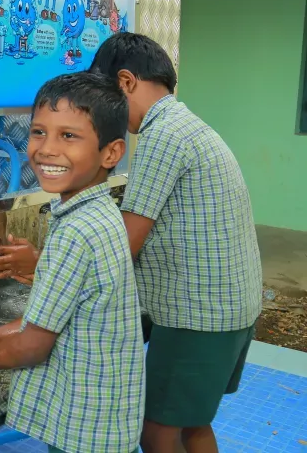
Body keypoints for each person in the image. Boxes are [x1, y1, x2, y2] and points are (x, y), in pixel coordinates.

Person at [0, 72, 144, 453]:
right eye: (38, 132)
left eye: (69, 136)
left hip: (85, 430)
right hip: (109, 415)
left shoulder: (75, 233)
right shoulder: (98, 213)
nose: (47, 149)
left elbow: (32, 346)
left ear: (111, 153)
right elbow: (49, 314)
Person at [89, 32, 262, 453]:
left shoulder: (162, 135)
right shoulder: (186, 124)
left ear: (126, 83)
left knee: (158, 432)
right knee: (191, 424)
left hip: (198, 317)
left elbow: (126, 241)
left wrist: (48, 262)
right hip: (230, 309)